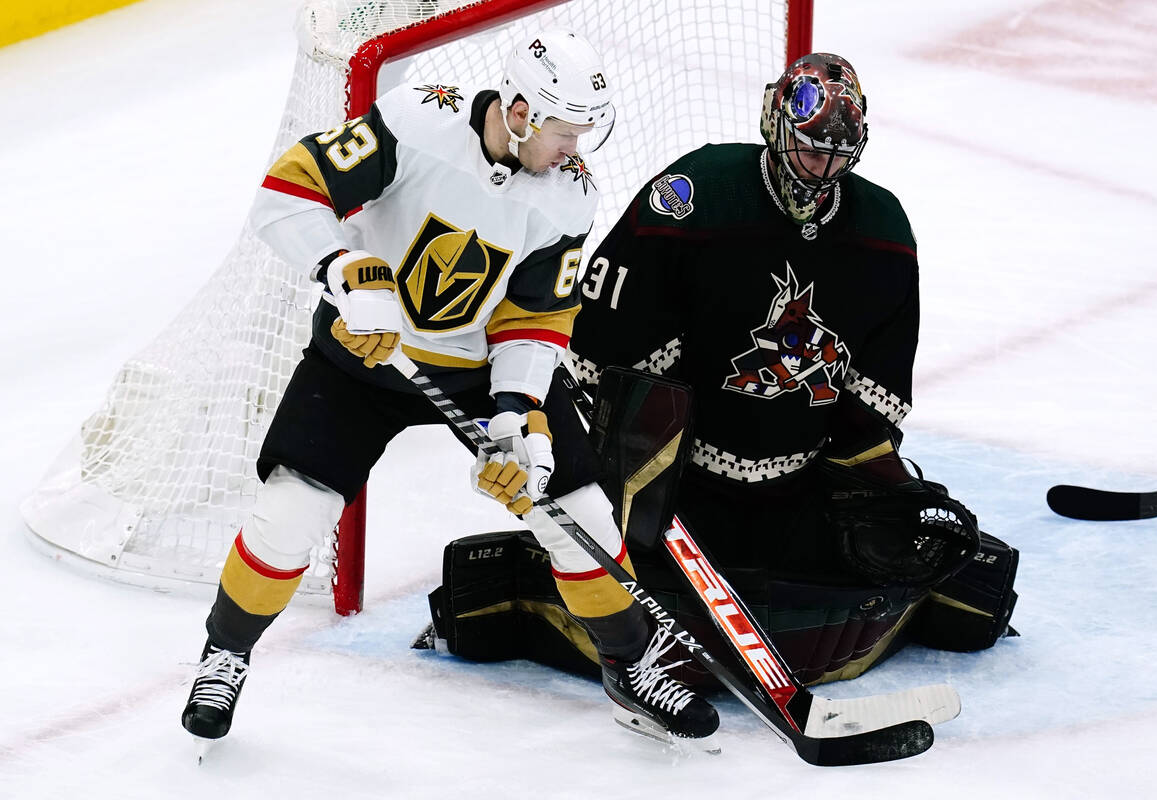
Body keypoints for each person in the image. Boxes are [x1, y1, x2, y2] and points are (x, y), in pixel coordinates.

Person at [180, 29, 719, 753]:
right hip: (363, 359)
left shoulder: (569, 194)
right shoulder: (416, 120)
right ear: (522, 111)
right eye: (563, 131)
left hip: (476, 371)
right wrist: (345, 271)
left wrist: (516, 415)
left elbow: (535, 319)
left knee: (579, 514)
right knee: (290, 513)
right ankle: (226, 655)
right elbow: (286, 194)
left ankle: (630, 667)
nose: (574, 149)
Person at [423, 53, 1018, 691]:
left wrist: (892, 494)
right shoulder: (694, 199)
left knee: (930, 562)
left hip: (799, 484)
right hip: (675, 489)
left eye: (839, 156)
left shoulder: (884, 233)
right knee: (625, 598)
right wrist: (632, 477)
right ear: (774, 123)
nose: (823, 170)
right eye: (810, 150)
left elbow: (868, 402)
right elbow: (599, 353)